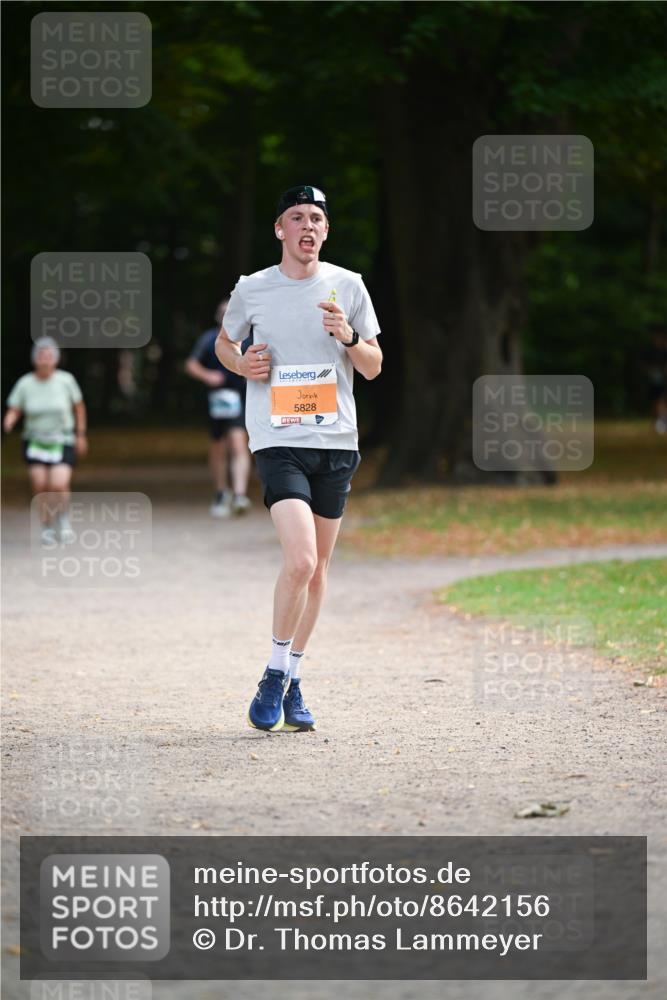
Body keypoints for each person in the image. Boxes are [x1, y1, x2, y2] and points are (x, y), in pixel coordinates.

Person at [215, 184, 382, 732]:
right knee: (302, 560)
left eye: (316, 218)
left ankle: (291, 676)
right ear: (279, 230)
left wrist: (349, 335)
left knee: (319, 571)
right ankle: (272, 672)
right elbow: (224, 343)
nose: (307, 226)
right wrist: (241, 365)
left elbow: (374, 365)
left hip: (335, 441)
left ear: (326, 231)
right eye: (296, 217)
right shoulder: (253, 289)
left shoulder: (348, 286)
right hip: (278, 437)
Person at [3, 337, 88, 545]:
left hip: (62, 439)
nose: (45, 359)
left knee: (58, 484)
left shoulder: (66, 381)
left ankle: (63, 517)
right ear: (34, 359)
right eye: (41, 355)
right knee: (41, 485)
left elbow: (78, 407)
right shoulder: (25, 383)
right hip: (35, 440)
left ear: (56, 359)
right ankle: (46, 525)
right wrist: (9, 420)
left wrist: (80, 434)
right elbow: (15, 407)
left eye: (49, 355)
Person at [185, 300, 252, 516]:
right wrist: (208, 376)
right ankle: (222, 492)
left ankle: (240, 495)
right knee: (218, 447)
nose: (226, 317)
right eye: (222, 313)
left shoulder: (249, 339)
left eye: (230, 313)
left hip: (241, 400)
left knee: (238, 443)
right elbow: (191, 364)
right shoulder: (209, 339)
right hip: (217, 402)